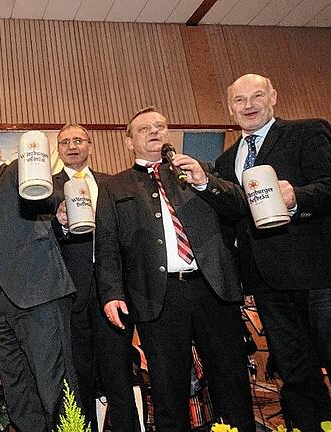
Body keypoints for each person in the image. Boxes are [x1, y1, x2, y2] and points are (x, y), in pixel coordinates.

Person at [95, 107, 254, 431]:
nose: (154, 132)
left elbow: (238, 206)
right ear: (129, 142)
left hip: (211, 287)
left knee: (231, 380)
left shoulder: (197, 171)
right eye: (144, 129)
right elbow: (107, 245)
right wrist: (111, 293)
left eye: (160, 126)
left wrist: (205, 182)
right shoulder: (114, 187)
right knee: (169, 389)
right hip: (158, 296)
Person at [210, 73, 331, 430]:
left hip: (319, 275)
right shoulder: (226, 161)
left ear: (274, 97)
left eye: (256, 96)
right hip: (266, 282)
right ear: (231, 107)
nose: (248, 105)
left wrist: (297, 197)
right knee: (295, 371)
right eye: (239, 100)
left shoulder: (308, 132)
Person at [0, 132, 79, 432]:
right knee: (18, 389)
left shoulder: (15, 172)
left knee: (56, 385)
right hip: (1, 303)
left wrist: (58, 206)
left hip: (38, 293)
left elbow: (45, 193)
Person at [53, 123, 140, 431]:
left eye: (79, 140)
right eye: (65, 142)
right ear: (58, 149)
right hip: (70, 295)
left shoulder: (112, 184)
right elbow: (41, 240)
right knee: (79, 378)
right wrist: (60, 224)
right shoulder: (44, 188)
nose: (72, 146)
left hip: (113, 293)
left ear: (90, 146)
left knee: (119, 373)